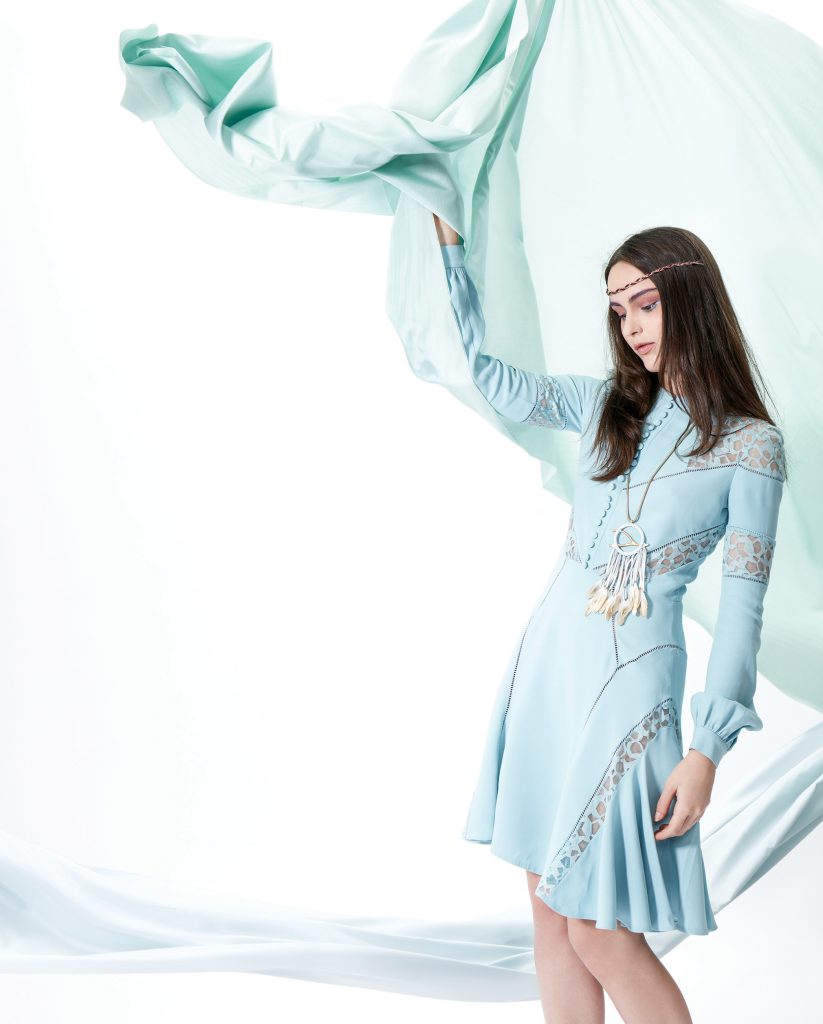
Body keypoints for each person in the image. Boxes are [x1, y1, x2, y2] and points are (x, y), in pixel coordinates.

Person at [431, 213, 787, 1024]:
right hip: (548, 668)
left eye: (645, 304)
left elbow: (743, 607)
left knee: (600, 932)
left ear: (691, 298)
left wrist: (706, 749)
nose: (630, 326)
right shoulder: (604, 407)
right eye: (618, 310)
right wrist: (451, 248)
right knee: (550, 919)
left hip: (631, 688)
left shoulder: (750, 447)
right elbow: (485, 377)